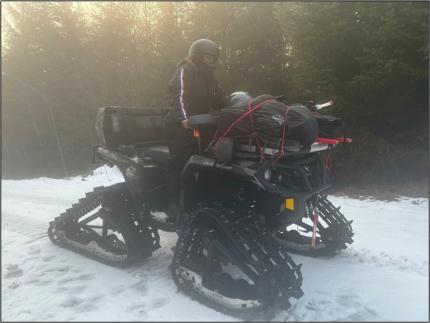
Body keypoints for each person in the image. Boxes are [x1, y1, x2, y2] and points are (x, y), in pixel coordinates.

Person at [165, 39, 228, 222]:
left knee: (209, 161)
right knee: (180, 162)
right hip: (180, 126)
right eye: (207, 57)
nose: (210, 61)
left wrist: (240, 108)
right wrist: (184, 118)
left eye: (213, 58)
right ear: (197, 56)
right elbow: (179, 95)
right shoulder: (187, 69)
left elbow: (220, 99)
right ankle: (173, 204)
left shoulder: (209, 78)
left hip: (201, 125)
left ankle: (202, 200)